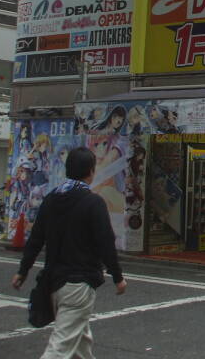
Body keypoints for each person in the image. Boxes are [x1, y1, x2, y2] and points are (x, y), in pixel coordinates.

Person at [11, 147, 127, 359]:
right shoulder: (93, 202)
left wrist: (23, 270)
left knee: (80, 344)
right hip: (79, 284)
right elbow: (105, 242)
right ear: (91, 171)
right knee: (60, 347)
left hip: (53, 281)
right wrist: (117, 277)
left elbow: (36, 239)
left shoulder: (51, 199)